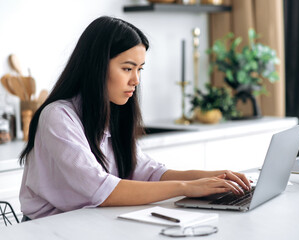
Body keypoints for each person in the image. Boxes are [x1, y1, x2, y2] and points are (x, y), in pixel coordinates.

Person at [19, 16, 251, 221]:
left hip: (90, 224)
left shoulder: (111, 112)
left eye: (140, 69)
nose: (136, 80)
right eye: (128, 68)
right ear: (97, 67)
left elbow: (149, 172)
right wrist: (188, 188)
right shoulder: (58, 117)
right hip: (47, 230)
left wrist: (216, 177)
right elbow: (100, 190)